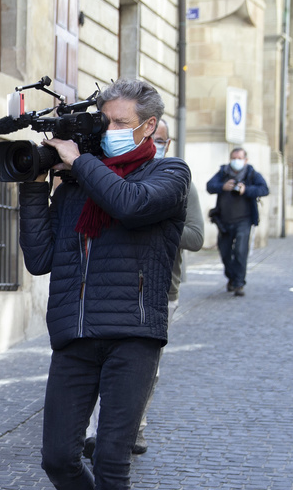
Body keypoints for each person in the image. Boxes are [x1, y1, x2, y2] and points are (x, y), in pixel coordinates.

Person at [18, 79, 189, 490]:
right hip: (75, 335)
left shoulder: (167, 175)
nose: (111, 132)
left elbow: (127, 205)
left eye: (120, 123)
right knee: (57, 458)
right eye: (106, 123)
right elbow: (41, 259)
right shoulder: (74, 188)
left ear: (148, 127)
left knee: (112, 459)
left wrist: (78, 162)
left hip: (133, 336)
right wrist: (33, 186)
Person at [82, 119, 203, 458]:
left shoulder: (179, 182)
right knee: (99, 363)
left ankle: (136, 426)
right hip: (111, 285)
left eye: (162, 139)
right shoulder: (109, 177)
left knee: (147, 369)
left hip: (162, 291)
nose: (156, 142)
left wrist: (157, 218)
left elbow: (196, 237)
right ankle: (95, 433)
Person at [205, 147, 269, 297]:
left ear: (245, 160)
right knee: (225, 252)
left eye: (240, 158)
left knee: (241, 251)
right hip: (224, 220)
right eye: (234, 158)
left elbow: (264, 189)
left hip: (244, 220)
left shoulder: (252, 174)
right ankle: (232, 278)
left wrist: (245, 190)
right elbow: (209, 186)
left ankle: (239, 283)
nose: (236, 161)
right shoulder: (223, 173)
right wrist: (223, 186)